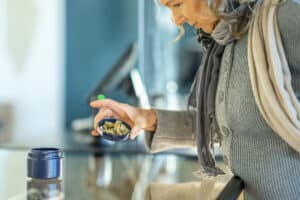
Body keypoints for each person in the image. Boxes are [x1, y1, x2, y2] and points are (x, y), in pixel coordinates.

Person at [90, 0, 300, 199]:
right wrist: (144, 118)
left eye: (178, 4)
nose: (176, 20)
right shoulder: (224, 43)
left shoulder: (283, 16)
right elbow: (216, 126)